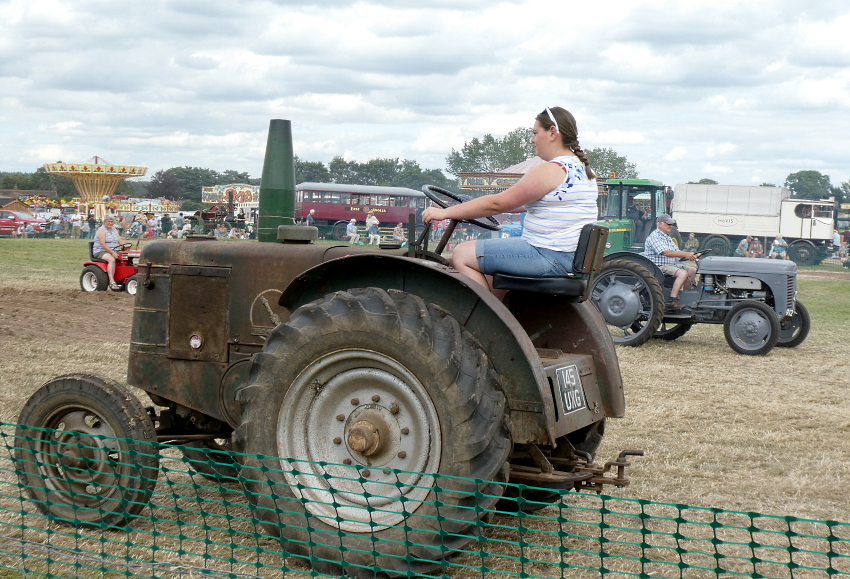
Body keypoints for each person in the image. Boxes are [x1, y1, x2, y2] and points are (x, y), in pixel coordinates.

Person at [421, 106, 598, 295]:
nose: (532, 139)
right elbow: (522, 203)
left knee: (462, 253)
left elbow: (496, 204)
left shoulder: (551, 170)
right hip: (569, 258)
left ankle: (483, 320)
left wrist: (446, 212)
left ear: (552, 132)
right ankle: (500, 314)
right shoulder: (584, 171)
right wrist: (474, 208)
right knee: (489, 269)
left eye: (535, 133)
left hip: (549, 256)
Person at [641, 214, 697, 310]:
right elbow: (666, 252)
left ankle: (686, 297)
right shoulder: (655, 236)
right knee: (682, 273)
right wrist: (685, 254)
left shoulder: (667, 237)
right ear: (660, 224)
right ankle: (673, 301)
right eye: (668, 224)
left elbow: (677, 252)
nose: (671, 226)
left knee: (692, 270)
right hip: (658, 266)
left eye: (671, 224)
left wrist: (692, 255)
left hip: (671, 264)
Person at [92, 215, 127, 291]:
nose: (110, 223)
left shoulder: (114, 230)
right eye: (109, 221)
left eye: (112, 221)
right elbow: (103, 244)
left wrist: (126, 246)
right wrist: (112, 252)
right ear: (104, 222)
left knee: (126, 258)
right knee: (111, 259)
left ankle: (124, 279)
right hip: (101, 251)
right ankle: (112, 281)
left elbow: (120, 241)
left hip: (114, 249)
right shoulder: (101, 230)